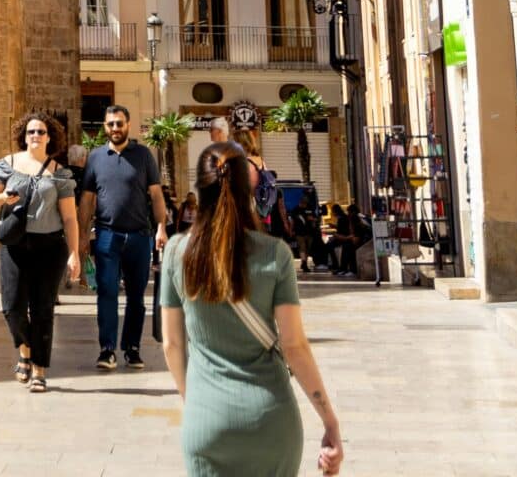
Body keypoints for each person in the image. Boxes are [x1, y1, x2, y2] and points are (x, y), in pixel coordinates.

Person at [161, 147, 343, 477]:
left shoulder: (176, 253)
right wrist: (329, 420)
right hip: (270, 419)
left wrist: (196, 402)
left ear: (200, 190)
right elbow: (294, 347)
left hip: (207, 419)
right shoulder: (275, 254)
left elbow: (172, 345)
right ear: (250, 191)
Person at [0, 114, 80, 392]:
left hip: (49, 247)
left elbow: (71, 218)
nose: (35, 136)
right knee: (12, 307)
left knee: (43, 309)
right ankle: (25, 349)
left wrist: (74, 253)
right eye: (31, 132)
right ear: (24, 136)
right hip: (15, 246)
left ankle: (39, 369)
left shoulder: (60, 173)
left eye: (40, 131)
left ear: (50, 137)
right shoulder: (8, 164)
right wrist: (5, 197)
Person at [78, 102, 168, 369]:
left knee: (136, 297)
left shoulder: (143, 155)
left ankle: (132, 348)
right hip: (107, 236)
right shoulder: (95, 157)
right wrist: (83, 234)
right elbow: (86, 200)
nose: (115, 128)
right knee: (106, 292)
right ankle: (107, 349)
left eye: (120, 123)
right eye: (111, 124)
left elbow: (156, 195)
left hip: (140, 237)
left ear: (128, 124)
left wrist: (161, 226)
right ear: (105, 127)